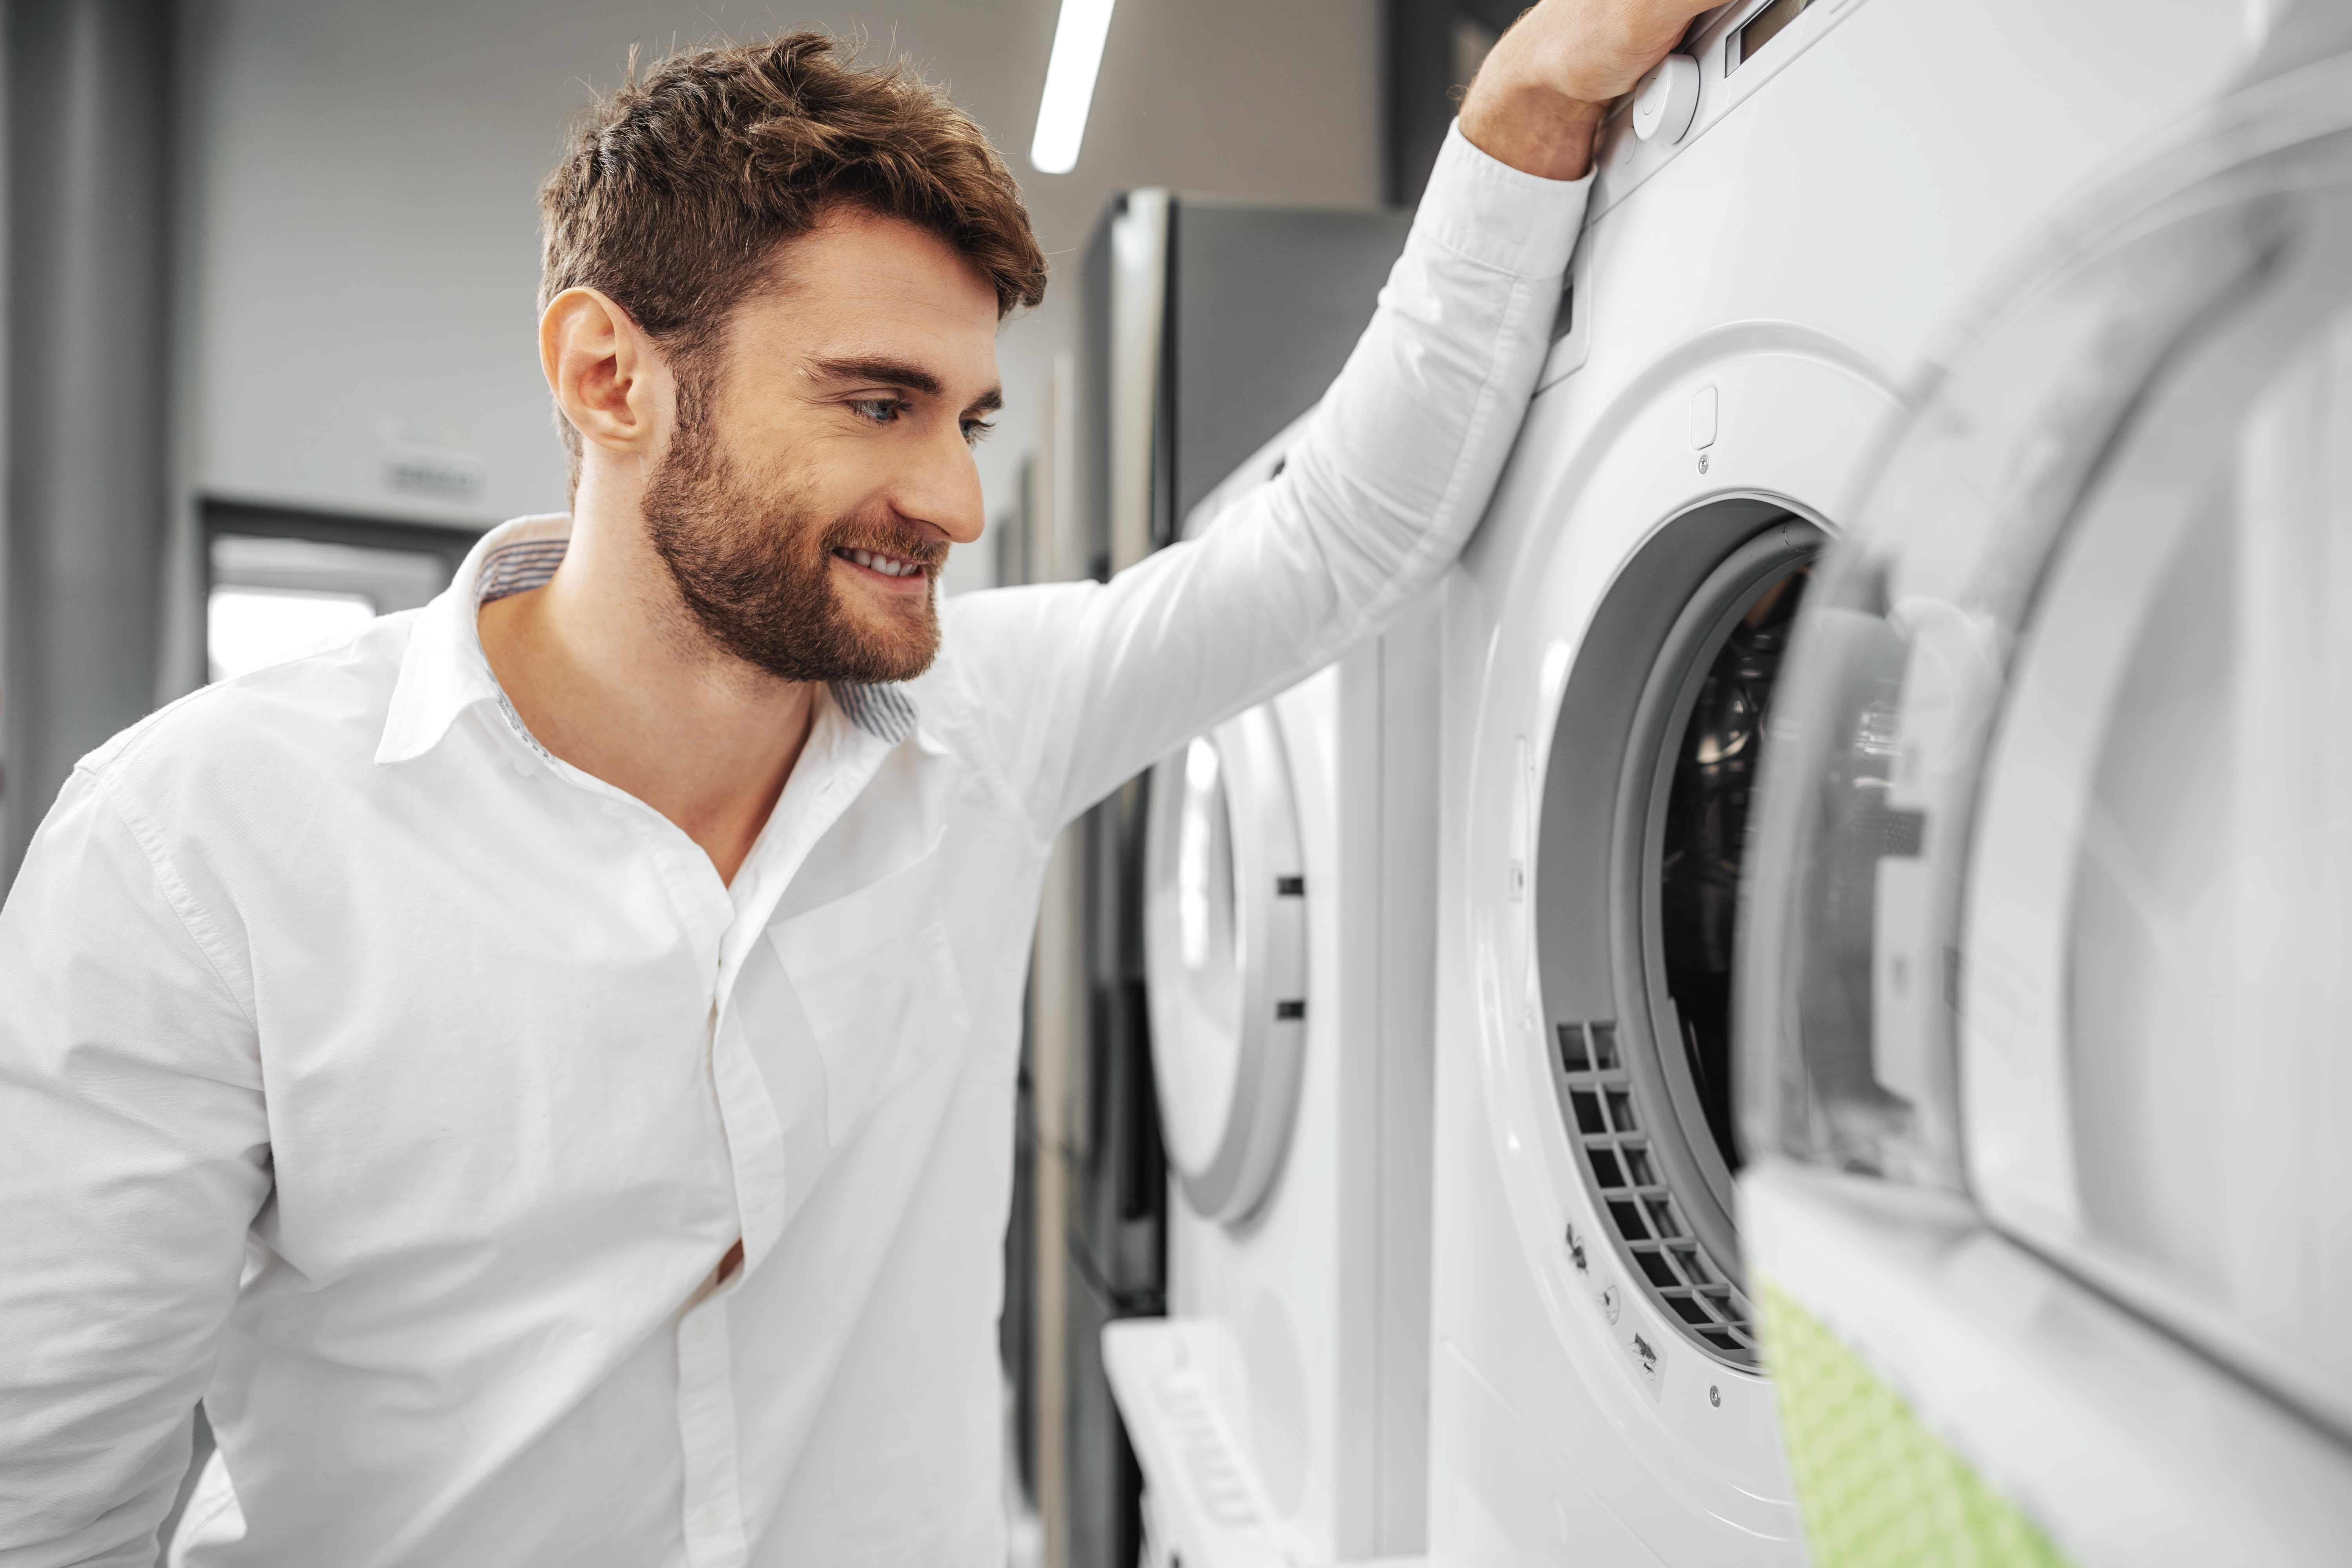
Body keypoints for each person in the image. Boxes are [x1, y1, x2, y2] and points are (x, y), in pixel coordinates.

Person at [0, 1, 1718, 1562]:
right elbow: (55, 1492)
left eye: (964, 420)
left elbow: (1346, 537)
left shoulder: (988, 718)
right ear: (612, 378)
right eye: (878, 402)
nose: (956, 504)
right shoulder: (197, 846)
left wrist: (1524, 97)